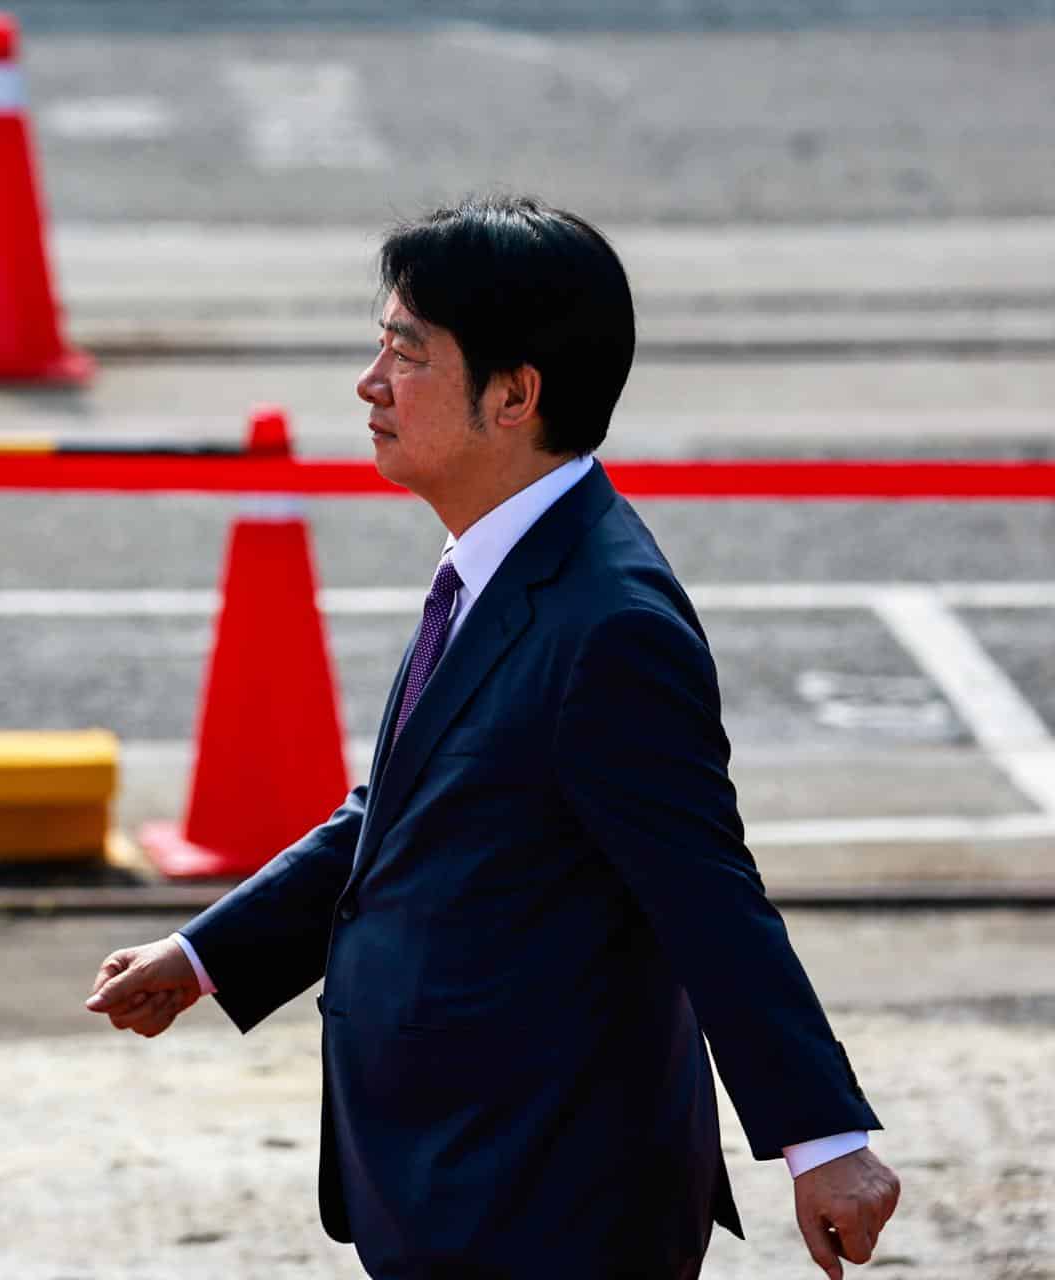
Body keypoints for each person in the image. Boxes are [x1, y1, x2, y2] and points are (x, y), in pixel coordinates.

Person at [85, 194, 901, 1280]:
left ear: (515, 394)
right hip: (457, 1173)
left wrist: (825, 1139)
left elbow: (708, 893)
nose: (371, 383)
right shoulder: (497, 563)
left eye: (407, 354)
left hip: (543, 1193)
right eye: (380, 346)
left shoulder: (610, 625)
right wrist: (206, 955)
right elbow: (403, 807)